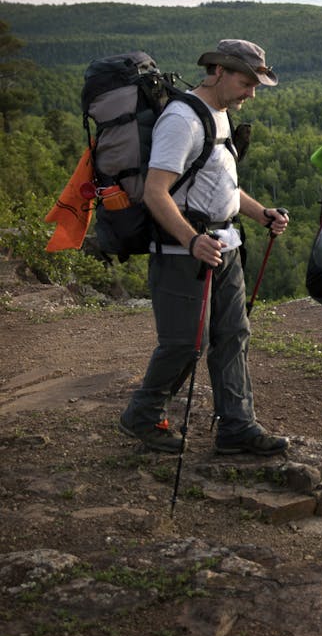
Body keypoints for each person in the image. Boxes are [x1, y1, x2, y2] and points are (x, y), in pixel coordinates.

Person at [118, 39, 291, 456]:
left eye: (256, 84)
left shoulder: (220, 116)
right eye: (246, 82)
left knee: (233, 335)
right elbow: (156, 193)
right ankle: (143, 414)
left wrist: (259, 212)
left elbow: (222, 186)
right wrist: (191, 240)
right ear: (217, 71)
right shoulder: (182, 120)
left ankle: (237, 427)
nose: (251, 92)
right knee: (185, 343)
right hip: (185, 254)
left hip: (224, 245)